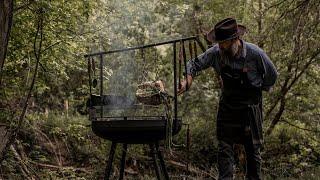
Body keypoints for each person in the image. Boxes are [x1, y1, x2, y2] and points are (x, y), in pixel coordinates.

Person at [178, 18, 278, 180]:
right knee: (224, 151)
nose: (220, 46)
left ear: (235, 39)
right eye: (218, 42)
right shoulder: (216, 53)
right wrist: (187, 80)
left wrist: (259, 89)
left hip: (250, 110)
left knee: (253, 153)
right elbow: (193, 64)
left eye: (223, 42)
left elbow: (272, 76)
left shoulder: (256, 54)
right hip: (228, 109)